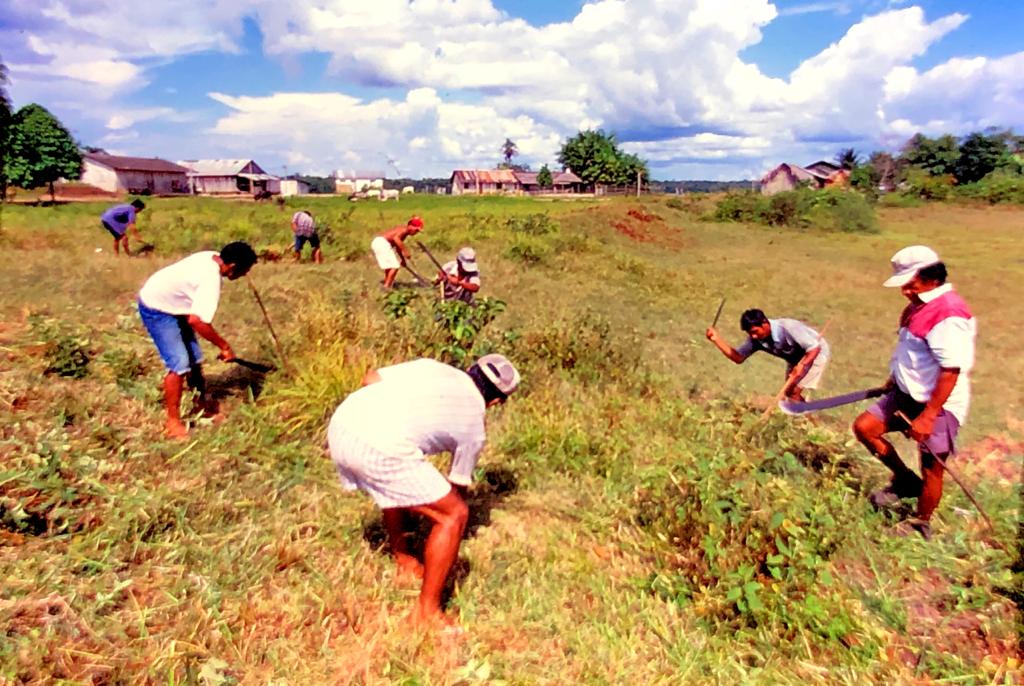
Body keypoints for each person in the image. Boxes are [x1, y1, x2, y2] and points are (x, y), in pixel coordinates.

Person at [327, 354, 520, 628]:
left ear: (471, 369)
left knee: (401, 480)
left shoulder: (433, 367)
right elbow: (458, 488)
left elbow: (369, 379)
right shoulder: (475, 428)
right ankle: (427, 614)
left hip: (342, 424)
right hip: (378, 445)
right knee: (453, 515)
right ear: (497, 402)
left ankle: (404, 560)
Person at [853, 246, 977, 539]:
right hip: (906, 393)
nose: (905, 291)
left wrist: (928, 416)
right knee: (865, 428)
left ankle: (921, 522)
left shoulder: (949, 313)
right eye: (904, 285)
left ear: (932, 278)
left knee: (932, 467)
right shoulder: (916, 306)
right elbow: (909, 352)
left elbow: (951, 371)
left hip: (939, 403)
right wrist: (893, 379)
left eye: (911, 284)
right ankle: (906, 482)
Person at [137, 242, 258, 439]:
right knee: (179, 363)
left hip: (175, 304)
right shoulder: (210, 280)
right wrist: (224, 346)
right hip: (156, 307)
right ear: (233, 266)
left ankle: (202, 405)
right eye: (245, 270)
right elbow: (197, 321)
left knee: (194, 358)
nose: (244, 275)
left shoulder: (212, 256)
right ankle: (173, 422)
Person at [706, 309, 830, 401]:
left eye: (755, 331)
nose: (753, 336)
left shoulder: (788, 328)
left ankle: (810, 425)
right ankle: (805, 420)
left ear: (765, 323)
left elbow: (814, 348)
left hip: (815, 352)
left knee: (793, 392)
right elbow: (738, 357)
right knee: (789, 392)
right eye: (750, 333)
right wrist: (716, 339)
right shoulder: (756, 339)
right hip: (795, 357)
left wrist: (801, 366)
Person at [371, 216, 424, 288]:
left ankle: (387, 283)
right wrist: (405, 250)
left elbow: (397, 246)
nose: (416, 233)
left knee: (389, 266)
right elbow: (396, 239)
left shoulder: (403, 234)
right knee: (395, 266)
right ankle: (387, 287)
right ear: (411, 226)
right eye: (416, 230)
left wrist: (403, 259)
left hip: (378, 242)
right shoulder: (403, 230)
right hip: (382, 243)